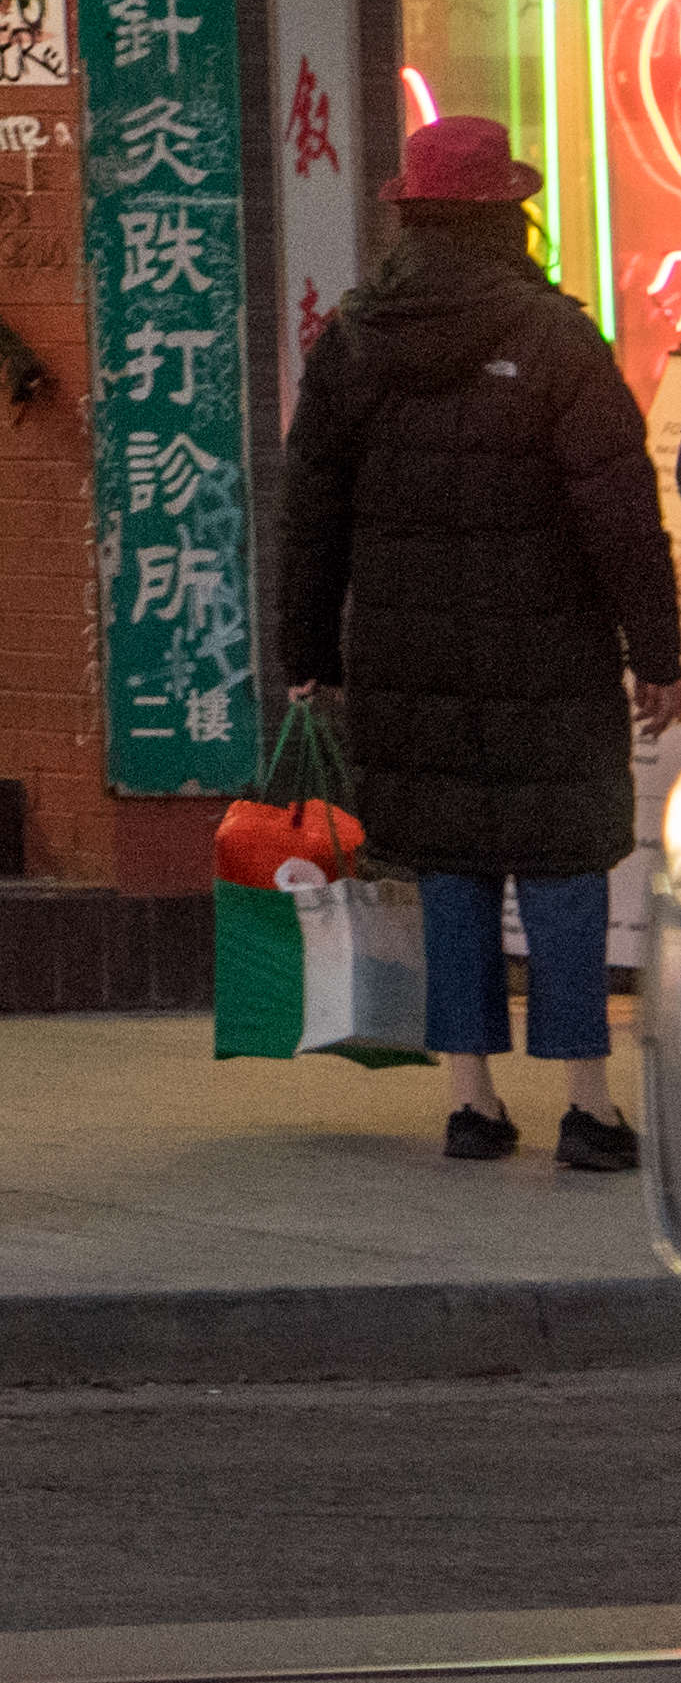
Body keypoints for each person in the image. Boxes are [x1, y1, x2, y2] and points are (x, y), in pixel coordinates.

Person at [267, 110, 681, 1171]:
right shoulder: (553, 337)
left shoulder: (355, 338)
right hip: (548, 654)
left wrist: (306, 648)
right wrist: (660, 650)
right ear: (508, 214)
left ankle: (471, 1100)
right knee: (563, 866)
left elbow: (308, 505)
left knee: (449, 864)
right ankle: (588, 1102)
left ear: (410, 215)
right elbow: (619, 507)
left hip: (405, 660)